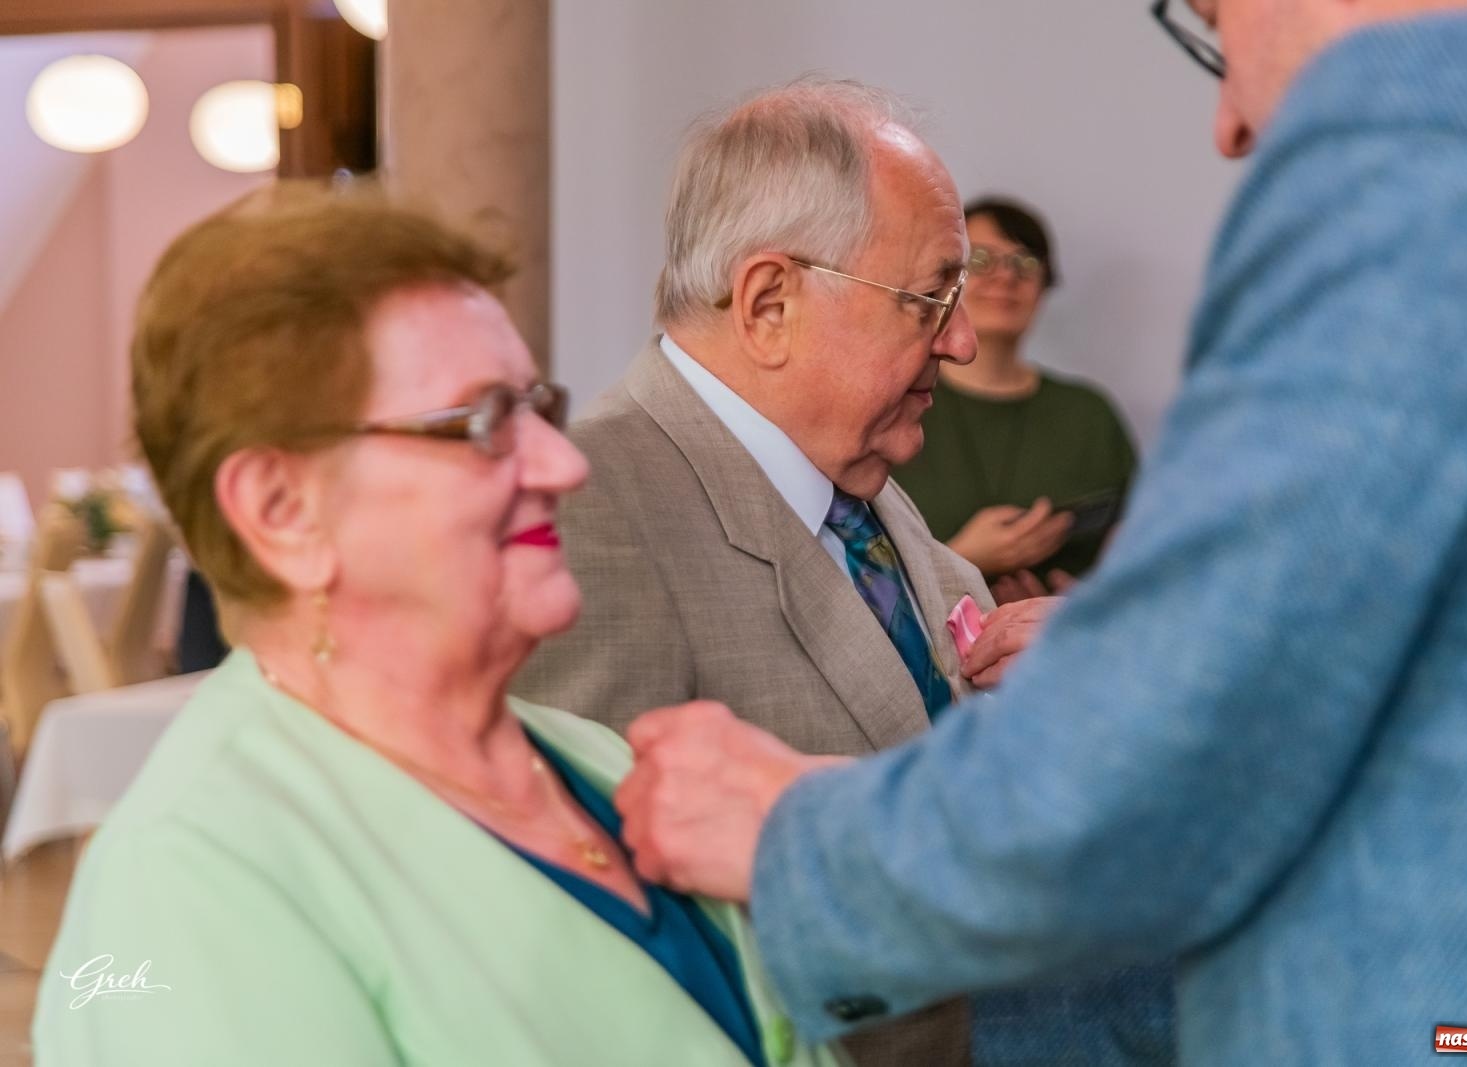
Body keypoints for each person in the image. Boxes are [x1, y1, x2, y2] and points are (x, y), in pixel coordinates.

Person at [611, 0, 1467, 1061]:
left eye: (1215, 25)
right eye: (927, 295)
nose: (1229, 121)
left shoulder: (1419, 121)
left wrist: (786, 839)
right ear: (766, 304)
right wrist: (1128, 663)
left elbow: (1174, 754)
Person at [33, 187, 847, 1067]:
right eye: (486, 422)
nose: (566, 462)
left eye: (540, 408)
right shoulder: (185, 876)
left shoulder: (602, 762)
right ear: (282, 510)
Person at [512, 77, 990, 1067]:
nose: (963, 340)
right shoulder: (594, 509)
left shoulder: (853, 476)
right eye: (930, 296)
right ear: (769, 302)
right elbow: (611, 927)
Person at [895, 199, 1138, 603]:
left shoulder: (1090, 415)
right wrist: (966, 558)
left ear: (1045, 286)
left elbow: (1141, 558)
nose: (1006, 276)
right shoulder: (898, 404)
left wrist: (1080, 605)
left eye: (1024, 264)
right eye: (983, 260)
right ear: (945, 281)